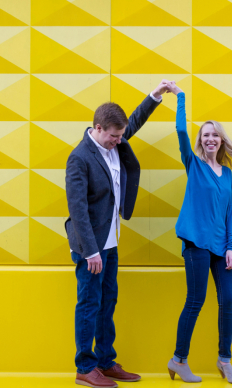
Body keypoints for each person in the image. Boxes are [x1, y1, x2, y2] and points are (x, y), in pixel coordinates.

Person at [65, 80, 171, 388]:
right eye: (114, 136)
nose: (118, 141)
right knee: (89, 303)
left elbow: (133, 121)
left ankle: (105, 361)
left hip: (110, 242)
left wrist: (155, 95)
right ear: (98, 128)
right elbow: (78, 209)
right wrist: (90, 251)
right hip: (91, 248)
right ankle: (85, 367)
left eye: (120, 135)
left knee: (107, 301)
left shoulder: (115, 139)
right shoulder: (80, 158)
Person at [165, 82, 232, 384]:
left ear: (222, 140)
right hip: (196, 244)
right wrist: (180, 97)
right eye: (206, 134)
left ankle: (224, 361)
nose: (210, 138)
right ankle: (179, 359)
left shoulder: (226, 175)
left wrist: (231, 246)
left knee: (228, 301)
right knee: (195, 300)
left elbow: (230, 213)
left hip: (220, 248)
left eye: (215, 134)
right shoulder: (194, 165)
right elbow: (181, 132)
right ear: (201, 140)